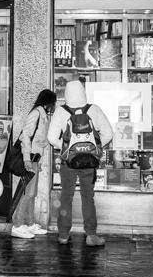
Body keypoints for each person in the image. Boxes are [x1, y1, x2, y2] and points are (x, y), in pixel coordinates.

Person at [47, 80, 113, 246]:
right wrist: (96, 148)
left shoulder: (61, 112)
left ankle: (63, 234)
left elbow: (51, 137)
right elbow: (108, 133)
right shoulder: (94, 109)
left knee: (66, 197)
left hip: (68, 162)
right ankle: (91, 235)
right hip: (89, 162)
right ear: (83, 92)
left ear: (66, 94)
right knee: (88, 197)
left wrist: (65, 148)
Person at [11, 89, 57, 239]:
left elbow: (39, 141)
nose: (54, 105)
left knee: (32, 193)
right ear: (48, 102)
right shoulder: (37, 114)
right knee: (28, 192)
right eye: (53, 102)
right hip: (29, 159)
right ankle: (17, 224)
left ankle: (29, 223)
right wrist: (26, 159)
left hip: (35, 159)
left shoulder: (43, 115)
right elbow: (26, 136)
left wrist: (40, 161)